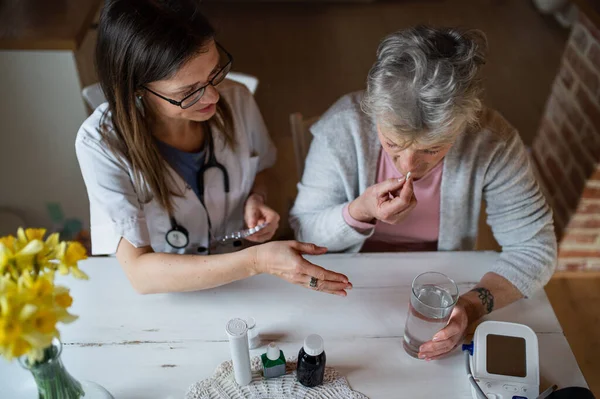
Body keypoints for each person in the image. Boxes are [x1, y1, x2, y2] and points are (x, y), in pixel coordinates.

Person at [290, 26, 557, 359]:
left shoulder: (492, 141)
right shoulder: (341, 127)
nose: (410, 166)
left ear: (465, 122)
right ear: (375, 114)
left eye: (432, 149)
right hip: (348, 285)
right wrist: (359, 211)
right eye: (393, 145)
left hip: (443, 287)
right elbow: (303, 230)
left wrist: (472, 307)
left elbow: (535, 249)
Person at [75, 0, 351, 296]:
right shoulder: (100, 143)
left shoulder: (238, 99)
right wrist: (257, 261)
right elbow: (140, 273)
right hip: (170, 294)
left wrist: (258, 197)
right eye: (189, 92)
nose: (214, 97)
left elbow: (266, 170)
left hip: (244, 284)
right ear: (137, 89)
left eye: (215, 73)